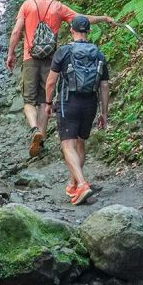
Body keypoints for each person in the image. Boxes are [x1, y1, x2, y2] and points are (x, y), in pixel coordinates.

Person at [5, 0, 113, 158]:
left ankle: (34, 130)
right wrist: (104, 18)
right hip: (50, 59)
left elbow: (16, 31)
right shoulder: (57, 6)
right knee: (44, 101)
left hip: (29, 57)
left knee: (28, 102)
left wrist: (10, 54)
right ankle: (42, 141)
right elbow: (82, 20)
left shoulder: (27, 5)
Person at [43, 15, 109, 205]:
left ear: (72, 30)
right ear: (88, 31)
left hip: (68, 102)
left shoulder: (64, 52)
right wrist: (104, 113)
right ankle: (73, 183)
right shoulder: (99, 53)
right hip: (90, 103)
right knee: (80, 143)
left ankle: (81, 184)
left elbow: (50, 82)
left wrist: (48, 104)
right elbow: (104, 86)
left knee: (67, 145)